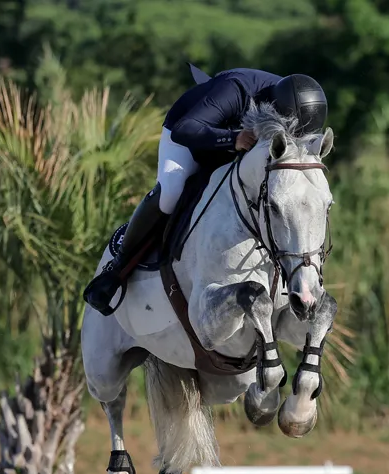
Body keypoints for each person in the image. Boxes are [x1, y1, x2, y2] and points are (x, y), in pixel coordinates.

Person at [83, 69, 328, 315]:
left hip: (241, 142)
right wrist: (233, 139)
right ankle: (115, 271)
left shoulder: (303, 106)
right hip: (189, 135)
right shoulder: (235, 90)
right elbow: (184, 128)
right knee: (171, 191)